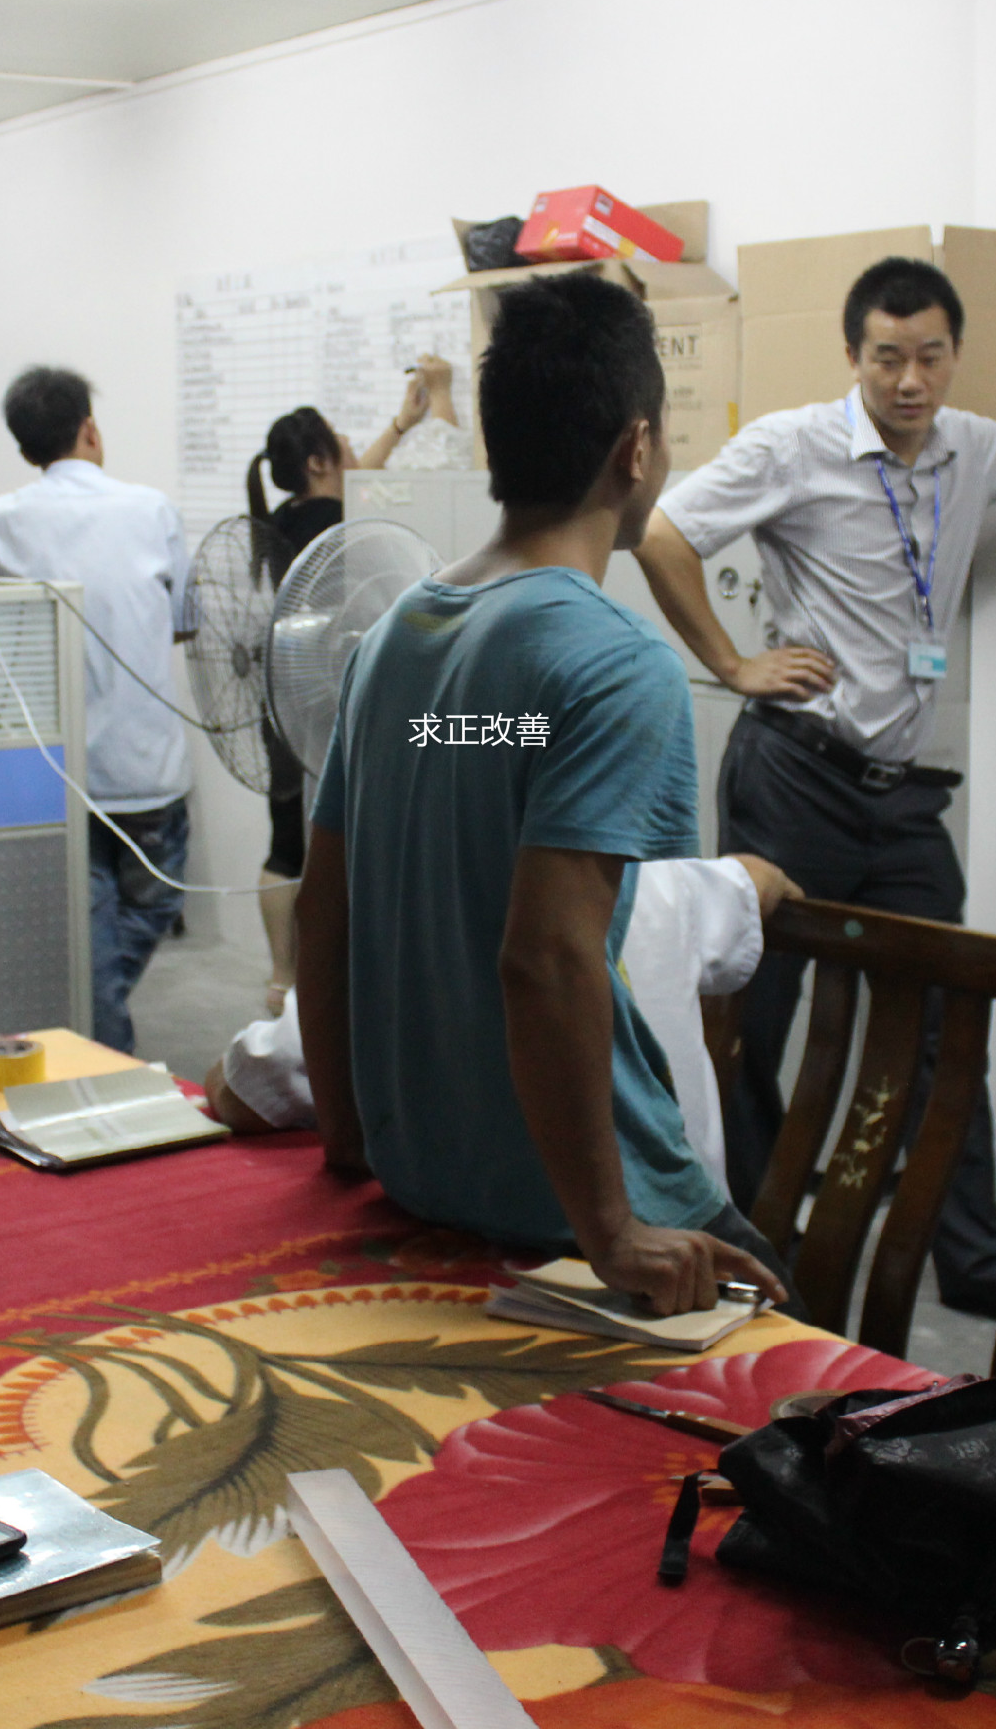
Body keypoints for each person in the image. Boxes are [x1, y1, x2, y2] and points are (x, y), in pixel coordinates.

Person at [297, 271, 787, 1317]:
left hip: (423, 1176)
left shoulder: (393, 642)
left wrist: (348, 1132)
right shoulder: (613, 662)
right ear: (636, 448)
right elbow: (550, 957)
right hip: (578, 1212)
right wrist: (612, 1230)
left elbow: (322, 908)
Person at [635, 255, 996, 1316]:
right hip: (793, 777)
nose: (910, 380)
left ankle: (976, 1261)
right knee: (752, 1016)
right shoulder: (793, 446)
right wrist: (731, 662)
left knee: (947, 1014)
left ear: (954, 354)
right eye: (888, 357)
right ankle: (757, 1240)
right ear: (852, 355)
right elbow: (662, 532)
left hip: (901, 799)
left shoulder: (972, 444)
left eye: (930, 356)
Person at [0, 368, 196, 1053]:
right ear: (90, 429)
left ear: (25, 448)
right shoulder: (152, 509)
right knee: (155, 903)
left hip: (58, 773)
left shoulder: (2, 519)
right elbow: (186, 620)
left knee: (89, 936)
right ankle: (103, 1042)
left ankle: (95, 1015)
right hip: (148, 767)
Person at [208, 852, 801, 1189]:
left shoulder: (414, 918)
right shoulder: (669, 886)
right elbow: (757, 880)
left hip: (517, 1269)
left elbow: (254, 1084)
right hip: (690, 1262)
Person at [245, 362, 451, 1014]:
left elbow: (357, 481)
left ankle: (282, 979)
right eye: (340, 442)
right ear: (316, 462)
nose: (352, 450)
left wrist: (402, 423)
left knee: (285, 840)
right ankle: (329, 980)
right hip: (331, 700)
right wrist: (440, 404)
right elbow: (373, 498)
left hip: (281, 696)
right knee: (333, 836)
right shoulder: (342, 523)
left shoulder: (284, 517)